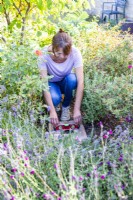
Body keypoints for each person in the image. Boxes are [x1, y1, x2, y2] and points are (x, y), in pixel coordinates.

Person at [38, 29, 84, 126]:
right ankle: (56, 104)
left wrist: (76, 109)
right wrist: (52, 111)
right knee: (55, 98)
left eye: (66, 54)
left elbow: (80, 81)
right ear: (53, 48)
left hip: (65, 81)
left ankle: (65, 106)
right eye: (59, 53)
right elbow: (44, 83)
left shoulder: (75, 53)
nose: (62, 57)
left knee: (72, 79)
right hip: (51, 83)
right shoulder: (43, 55)